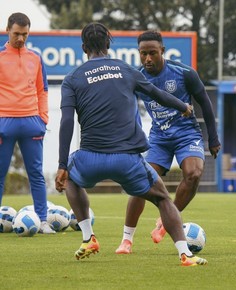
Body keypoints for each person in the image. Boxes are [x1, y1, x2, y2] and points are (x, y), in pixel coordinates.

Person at [55, 22, 208, 267]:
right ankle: (185, 254)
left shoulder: (72, 79)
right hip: (127, 160)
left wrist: (63, 165)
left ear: (84, 48)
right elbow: (158, 93)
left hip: (90, 158)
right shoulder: (125, 69)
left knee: (71, 177)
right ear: (108, 45)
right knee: (163, 199)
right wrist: (184, 106)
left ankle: (88, 238)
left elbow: (66, 122)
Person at [115, 30, 221, 254]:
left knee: (193, 174)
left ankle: (165, 222)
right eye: (143, 54)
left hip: (186, 134)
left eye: (152, 53)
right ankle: (126, 239)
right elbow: (123, 107)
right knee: (139, 181)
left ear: (162, 51)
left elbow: (205, 103)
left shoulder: (184, 73)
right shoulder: (137, 76)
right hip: (158, 138)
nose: (148, 59)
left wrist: (213, 138)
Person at [0, 12, 55, 234]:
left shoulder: (36, 58)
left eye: (25, 34)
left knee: (36, 173)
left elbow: (43, 90)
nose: (21, 38)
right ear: (7, 31)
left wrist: (43, 119)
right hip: (4, 122)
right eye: (17, 34)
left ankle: (42, 221)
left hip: (32, 123)